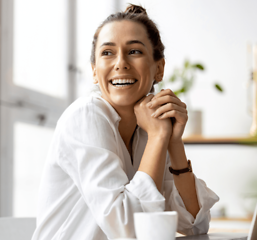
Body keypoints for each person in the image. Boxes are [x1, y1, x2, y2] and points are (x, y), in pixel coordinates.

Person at [32, 4, 219, 240]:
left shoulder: (149, 127)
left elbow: (194, 225)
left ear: (159, 69)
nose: (120, 63)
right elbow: (129, 230)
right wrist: (159, 137)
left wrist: (173, 141)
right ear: (93, 71)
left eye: (134, 52)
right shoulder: (86, 116)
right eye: (107, 53)